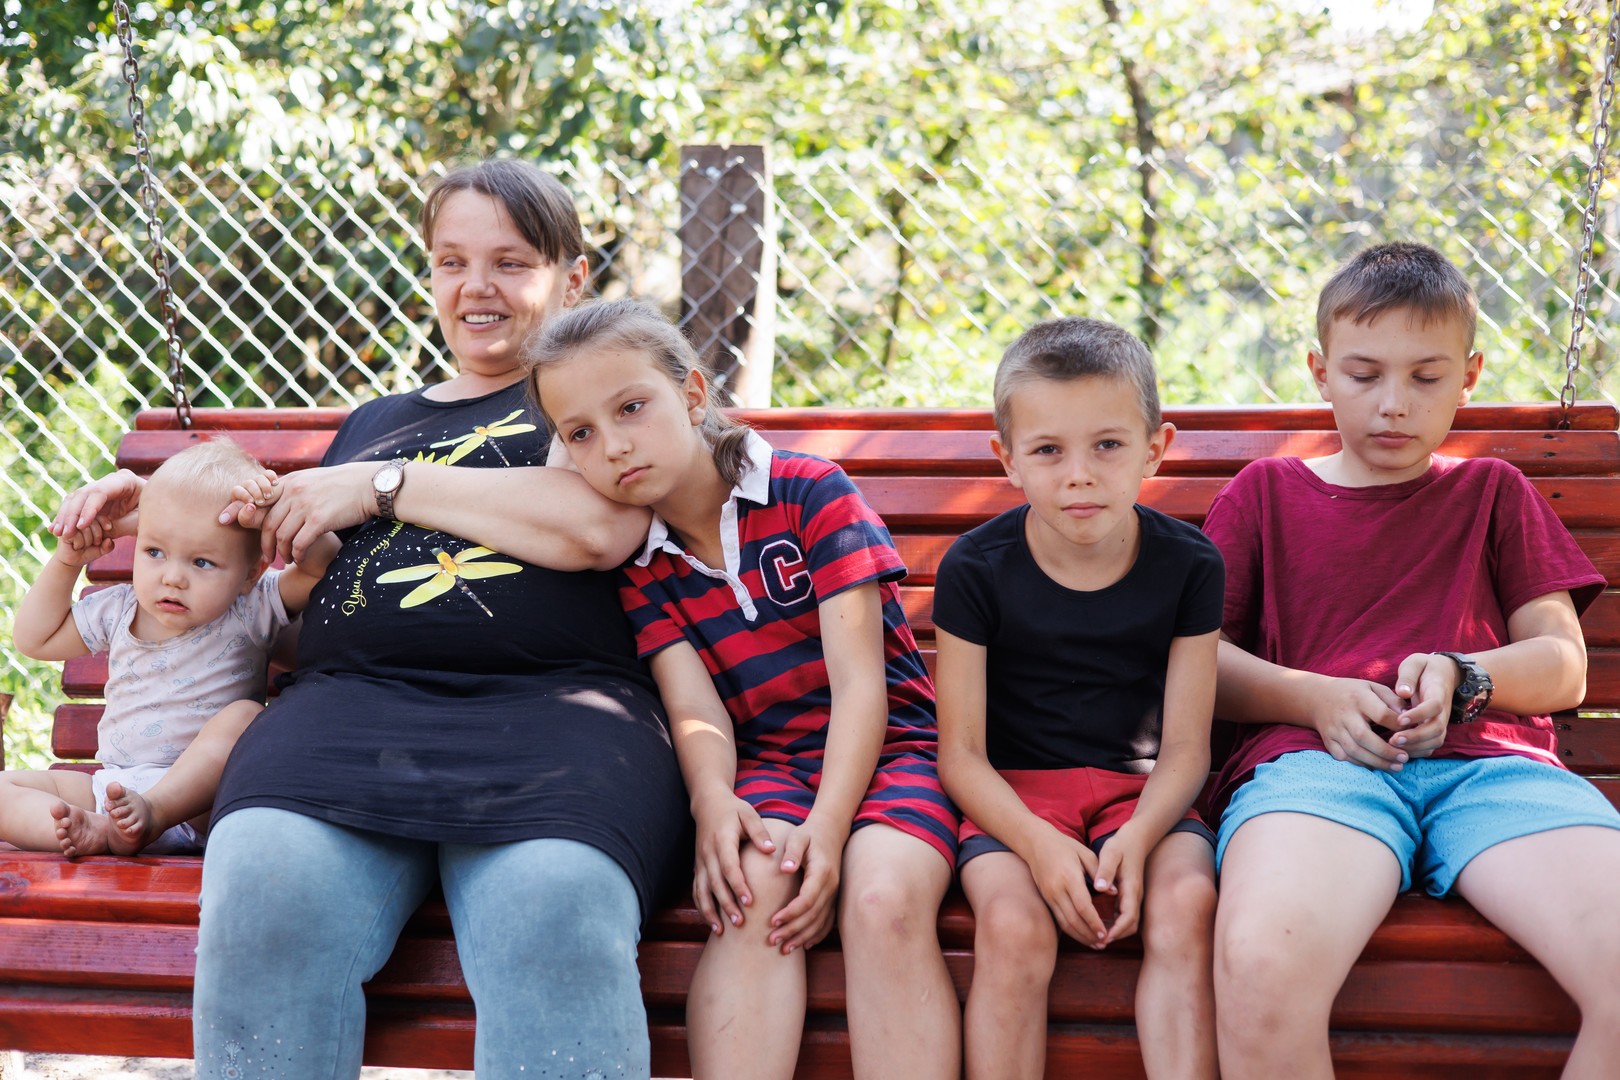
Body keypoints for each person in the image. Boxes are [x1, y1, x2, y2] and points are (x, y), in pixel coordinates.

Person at [54, 159, 687, 1080]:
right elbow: (291, 580)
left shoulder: (592, 399)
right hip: (346, 716)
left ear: (571, 278)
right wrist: (153, 511)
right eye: (451, 262)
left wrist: (381, 487)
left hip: (556, 721)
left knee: (554, 903)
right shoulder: (375, 421)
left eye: (511, 263)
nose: (477, 288)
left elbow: (598, 527)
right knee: (265, 877)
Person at [1205, 242, 1620, 1079]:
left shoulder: (1493, 492)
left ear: (1468, 377)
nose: (1394, 406)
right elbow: (1195, 662)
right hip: (1316, 770)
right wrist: (1312, 696)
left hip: (1495, 773)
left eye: (1426, 379)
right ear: (1321, 372)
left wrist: (1470, 677)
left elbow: (1563, 664)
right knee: (1262, 971)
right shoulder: (1264, 496)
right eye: (1365, 375)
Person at [526, 297, 960, 1080]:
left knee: (881, 897)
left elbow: (863, 687)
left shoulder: (807, 492)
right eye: (580, 434)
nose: (614, 446)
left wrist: (827, 833)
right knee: (749, 887)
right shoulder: (641, 563)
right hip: (773, 763)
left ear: (693, 396)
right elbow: (696, 712)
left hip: (897, 746)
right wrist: (714, 800)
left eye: (631, 408)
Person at [933, 317, 1221, 1080]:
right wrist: (1033, 840)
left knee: (1189, 903)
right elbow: (960, 756)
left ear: (1155, 449)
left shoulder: (1190, 565)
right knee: (1011, 924)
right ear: (1008, 460)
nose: (1080, 475)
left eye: (1108, 445)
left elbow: (1189, 749)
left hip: (1145, 794)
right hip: (1014, 799)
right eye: (1048, 450)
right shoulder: (975, 568)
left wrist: (1140, 834)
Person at [11, 441, 332, 857]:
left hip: (199, 801)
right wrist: (67, 561)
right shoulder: (121, 607)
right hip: (115, 788)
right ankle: (98, 831)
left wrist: (274, 508)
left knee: (244, 718)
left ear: (251, 572)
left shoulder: (251, 606)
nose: (173, 578)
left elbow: (322, 564)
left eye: (201, 562)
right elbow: (34, 640)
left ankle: (149, 815)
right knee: (5, 791)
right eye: (154, 551)